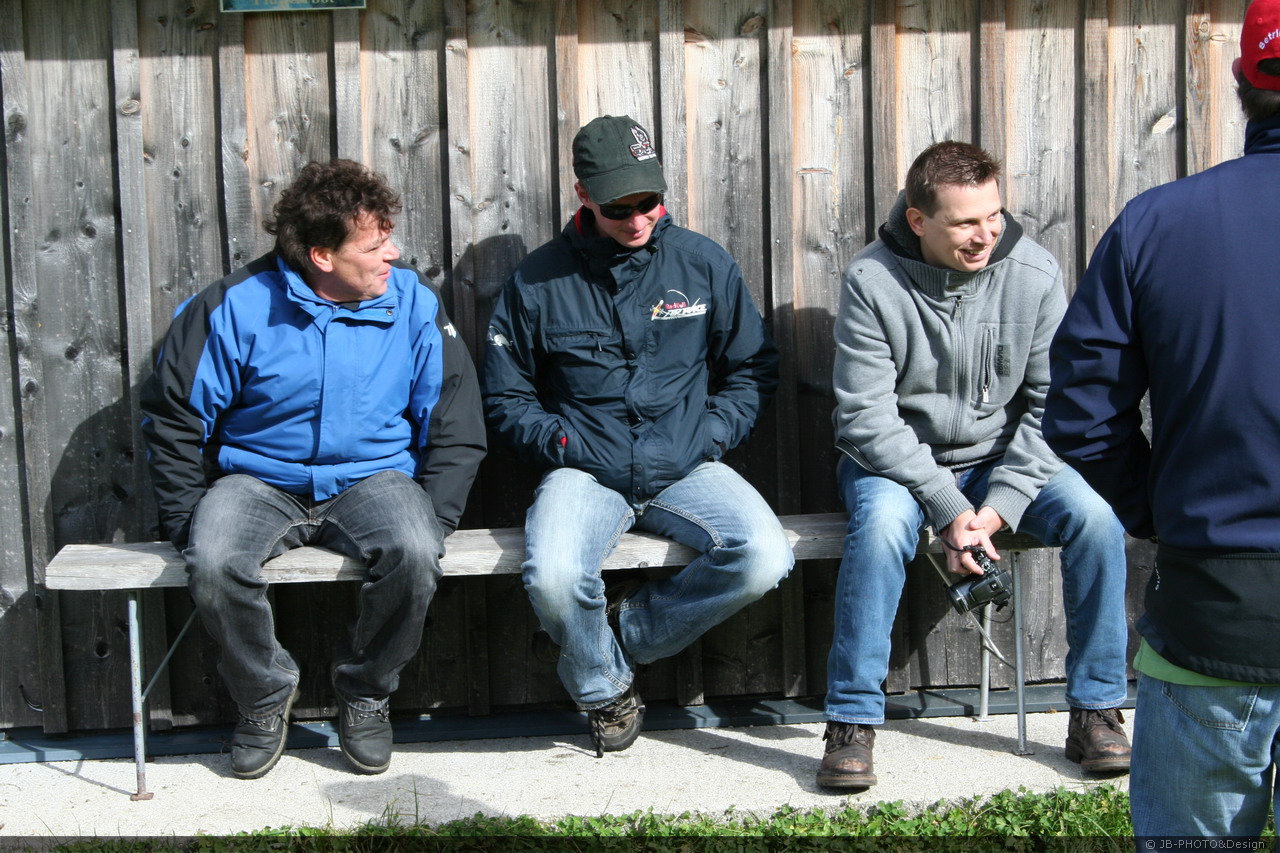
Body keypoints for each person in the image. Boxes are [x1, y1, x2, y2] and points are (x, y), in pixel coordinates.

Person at [140, 159, 486, 779]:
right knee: (213, 560)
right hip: (258, 481)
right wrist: (188, 519)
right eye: (374, 246)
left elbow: (455, 415)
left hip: (373, 478)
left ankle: (366, 692)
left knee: (415, 550)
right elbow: (174, 418)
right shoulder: (235, 307)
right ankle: (263, 698)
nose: (393, 255)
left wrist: (434, 516)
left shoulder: (413, 302)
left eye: (388, 240)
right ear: (323, 256)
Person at [820, 141, 1132, 790]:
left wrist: (997, 508)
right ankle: (851, 722)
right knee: (880, 529)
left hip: (1001, 463)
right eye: (965, 222)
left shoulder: (1034, 273)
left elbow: (1053, 404)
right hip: (895, 466)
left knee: (1097, 519)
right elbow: (866, 418)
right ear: (918, 220)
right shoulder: (872, 280)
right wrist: (949, 505)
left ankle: (1096, 710)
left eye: (994, 215)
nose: (986, 234)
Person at [481, 115, 793, 757]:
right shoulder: (537, 282)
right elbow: (506, 397)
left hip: (686, 463)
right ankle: (603, 688)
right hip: (585, 470)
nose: (637, 218)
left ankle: (622, 632)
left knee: (765, 555)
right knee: (554, 578)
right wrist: (564, 445)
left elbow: (752, 369)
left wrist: (709, 435)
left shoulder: (702, 264)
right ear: (583, 196)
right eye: (618, 207)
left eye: (648, 200)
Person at [1043, 1, 1280, 837]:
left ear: (1243, 84)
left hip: (1211, 609)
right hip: (1211, 611)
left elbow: (1081, 413)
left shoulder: (1156, 221)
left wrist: (1157, 509)